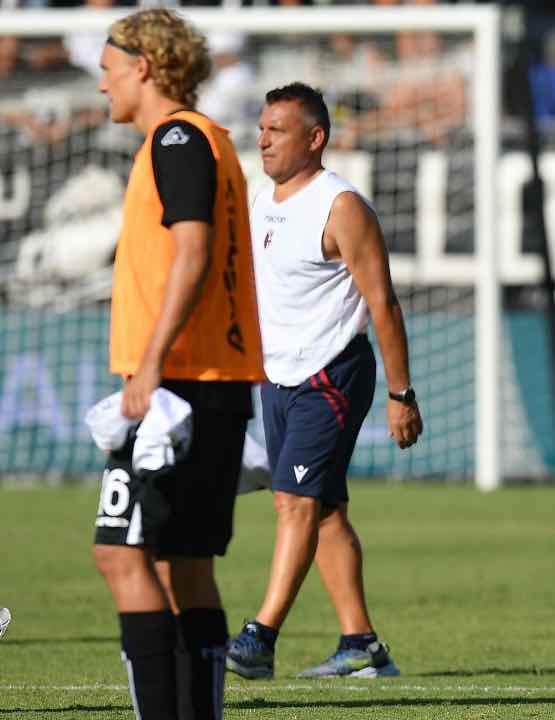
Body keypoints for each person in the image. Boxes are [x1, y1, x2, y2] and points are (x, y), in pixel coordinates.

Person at [92, 9, 263, 720]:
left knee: (121, 555)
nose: (101, 86)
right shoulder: (206, 139)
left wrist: (150, 364)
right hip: (211, 383)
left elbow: (192, 251)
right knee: (184, 567)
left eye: (107, 70)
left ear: (143, 66)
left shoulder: (175, 137)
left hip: (180, 385)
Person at [225, 82, 423, 680]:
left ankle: (259, 637)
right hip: (277, 377)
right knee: (326, 510)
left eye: (277, 130)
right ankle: (361, 644)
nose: (262, 139)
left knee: (296, 502)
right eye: (261, 128)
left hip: (331, 373)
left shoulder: (341, 207)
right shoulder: (263, 200)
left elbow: (382, 302)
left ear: (315, 138)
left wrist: (400, 393)